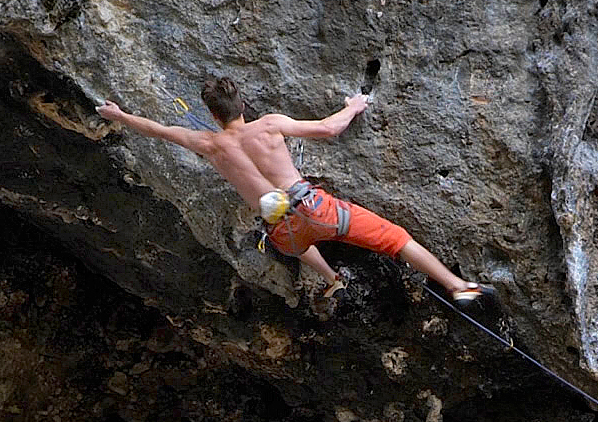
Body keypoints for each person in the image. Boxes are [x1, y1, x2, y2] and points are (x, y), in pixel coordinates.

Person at [96, 77, 495, 304]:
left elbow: (159, 130)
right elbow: (328, 128)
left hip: (282, 231)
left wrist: (118, 115)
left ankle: (331, 278)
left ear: (214, 115)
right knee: (396, 239)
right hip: (316, 209)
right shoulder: (267, 125)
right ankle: (456, 286)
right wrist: (354, 105)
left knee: (299, 245)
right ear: (243, 104)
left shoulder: (209, 143)